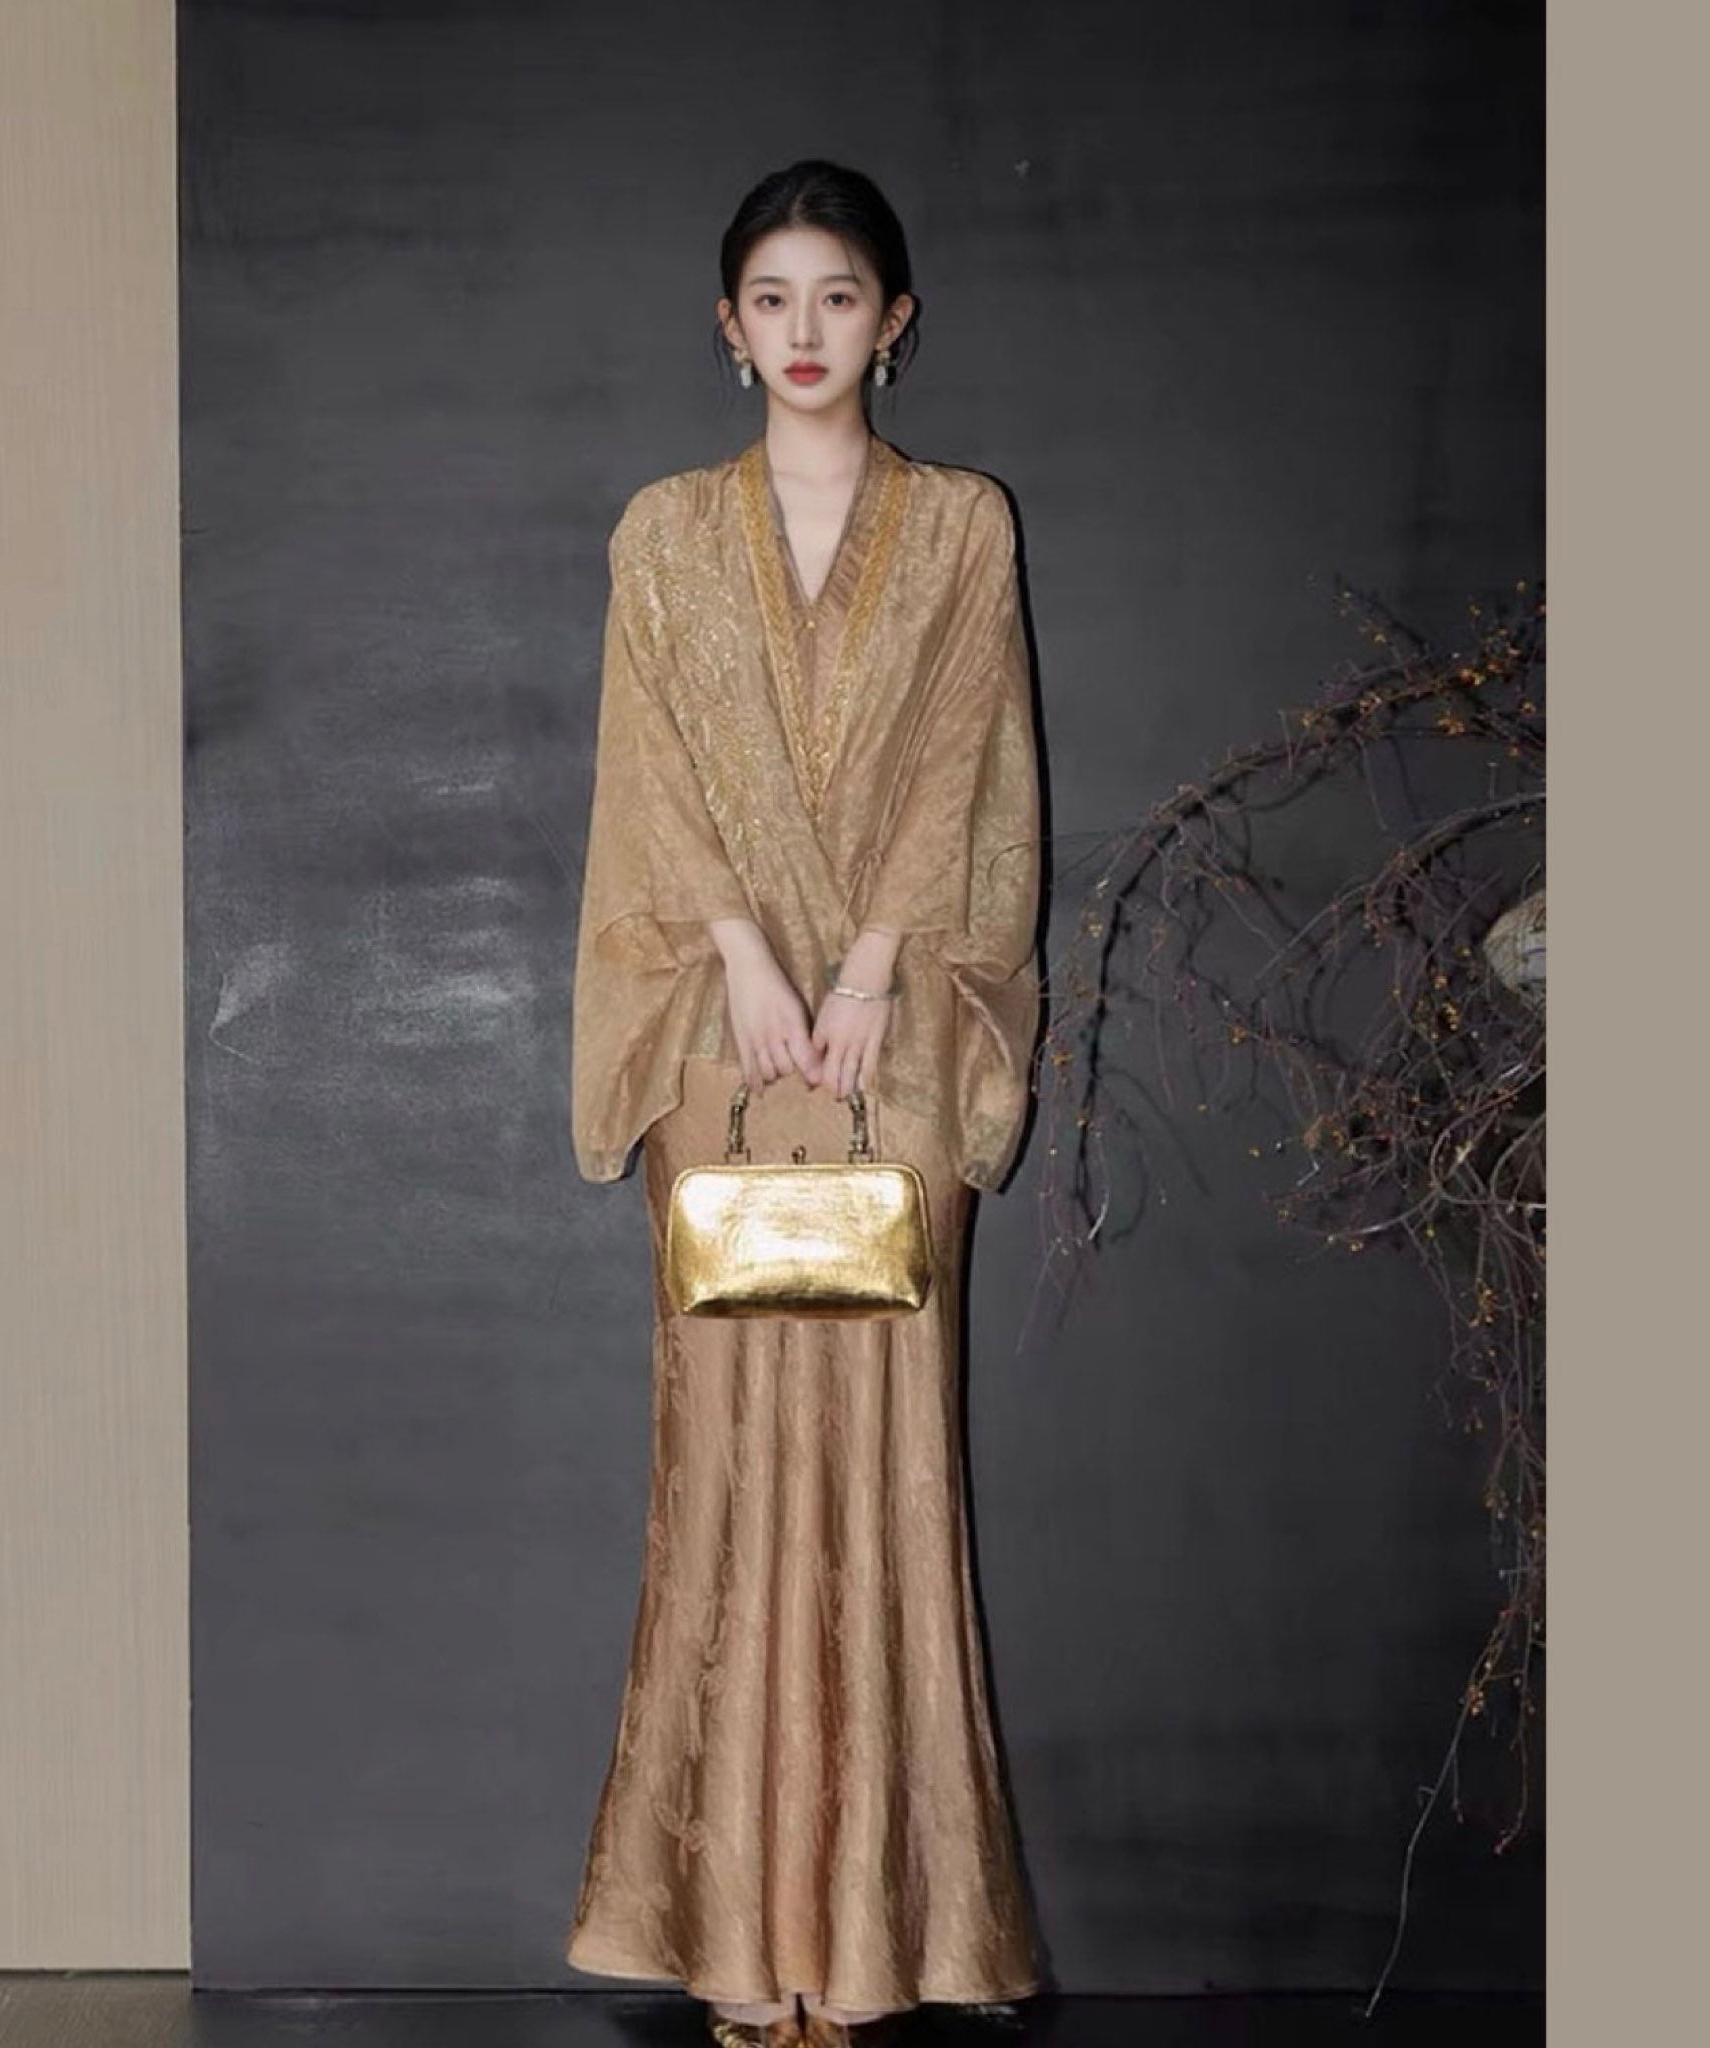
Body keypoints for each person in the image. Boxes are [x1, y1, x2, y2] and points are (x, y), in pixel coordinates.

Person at [565, 159, 1044, 2048]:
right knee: (729, 1469)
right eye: (771, 298)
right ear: (729, 327)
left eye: (837, 294)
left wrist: (862, 973)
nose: (805, 329)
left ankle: (869, 1949)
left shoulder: (965, 526)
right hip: (724, 1043)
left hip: (893, 1046)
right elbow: (650, 773)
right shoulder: (666, 535)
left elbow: (969, 760)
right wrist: (752, 960)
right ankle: (733, 1946)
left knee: (891, 1472)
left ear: (892, 320)